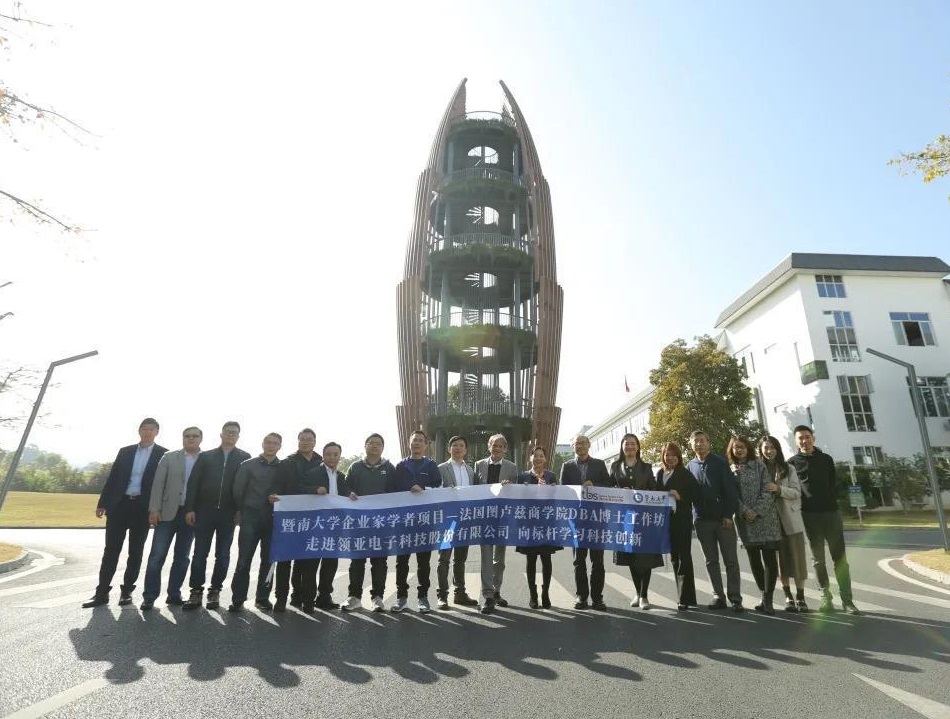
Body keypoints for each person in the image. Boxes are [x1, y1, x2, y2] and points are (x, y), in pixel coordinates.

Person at [83, 418, 168, 608]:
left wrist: (157, 509)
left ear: (157, 432)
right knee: (111, 550)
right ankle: (101, 593)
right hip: (119, 506)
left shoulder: (164, 454)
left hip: (143, 508)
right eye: (144, 428)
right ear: (139, 431)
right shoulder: (126, 451)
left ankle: (127, 592)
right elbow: (113, 477)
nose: (147, 432)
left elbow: (164, 485)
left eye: (151, 429)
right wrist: (102, 503)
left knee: (135, 552)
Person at [789, 425, 859, 615]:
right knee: (818, 560)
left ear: (814, 438)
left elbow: (833, 483)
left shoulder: (826, 459)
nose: (804, 440)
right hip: (809, 516)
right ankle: (826, 599)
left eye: (807, 437)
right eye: (800, 438)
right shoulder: (792, 463)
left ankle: (847, 601)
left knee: (840, 559)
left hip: (831, 514)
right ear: (796, 441)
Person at [183, 421, 251, 611]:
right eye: (228, 432)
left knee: (222, 554)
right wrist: (190, 508)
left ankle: (215, 590)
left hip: (229, 514)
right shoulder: (206, 456)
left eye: (234, 433)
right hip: (204, 511)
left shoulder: (244, 458)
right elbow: (193, 483)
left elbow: (246, 488)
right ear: (221, 434)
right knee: (199, 554)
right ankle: (196, 591)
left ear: (238, 436)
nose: (231, 435)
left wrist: (240, 510)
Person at [141, 426, 202, 610]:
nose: (191, 438)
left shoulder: (206, 459)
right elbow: (158, 485)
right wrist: (154, 509)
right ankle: (149, 596)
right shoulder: (169, 457)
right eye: (187, 436)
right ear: (183, 438)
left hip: (190, 515)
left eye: (195, 436)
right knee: (156, 556)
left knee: (182, 557)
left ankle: (174, 594)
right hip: (166, 513)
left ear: (201, 438)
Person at [686, 430, 742, 611]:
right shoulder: (690, 466)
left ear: (708, 442)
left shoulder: (719, 462)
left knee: (731, 560)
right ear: (691, 444)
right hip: (702, 520)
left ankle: (735, 598)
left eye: (702, 441)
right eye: (695, 441)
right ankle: (718, 596)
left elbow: (731, 491)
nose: (699, 444)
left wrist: (728, 515)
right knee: (711, 561)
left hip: (722, 520)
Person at [387, 430, 441, 613]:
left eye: (420, 440)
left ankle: (422, 598)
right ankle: (401, 597)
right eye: (414, 440)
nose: (416, 443)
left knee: (423, 562)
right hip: (404, 521)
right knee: (401, 562)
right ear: (409, 444)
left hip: (425, 521)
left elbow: (438, 487)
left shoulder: (431, 466)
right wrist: (408, 488)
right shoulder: (400, 466)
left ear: (425, 445)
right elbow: (392, 489)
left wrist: (423, 489)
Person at [228, 432, 282, 612]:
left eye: (275, 443)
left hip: (273, 520)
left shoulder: (284, 468)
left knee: (269, 561)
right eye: (268, 442)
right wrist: (241, 511)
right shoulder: (248, 465)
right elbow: (238, 491)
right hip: (250, 518)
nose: (271, 446)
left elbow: (288, 490)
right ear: (263, 443)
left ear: (279, 446)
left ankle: (263, 597)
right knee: (244, 560)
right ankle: (238, 598)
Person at [341, 433, 395, 613]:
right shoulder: (355, 467)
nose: (374, 446)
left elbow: (396, 493)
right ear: (365, 446)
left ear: (383, 447)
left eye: (378, 443)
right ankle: (354, 597)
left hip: (381, 523)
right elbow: (345, 488)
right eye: (371, 443)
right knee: (357, 561)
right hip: (359, 522)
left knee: (379, 561)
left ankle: (377, 597)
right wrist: (348, 493)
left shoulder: (389, 468)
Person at [728, 436, 782, 614]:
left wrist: (756, 511)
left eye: (742, 447)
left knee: (769, 559)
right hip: (744, 520)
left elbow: (769, 489)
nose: (739, 450)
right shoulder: (730, 470)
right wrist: (745, 511)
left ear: (748, 448)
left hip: (765, 518)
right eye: (736, 447)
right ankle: (762, 594)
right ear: (731, 450)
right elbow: (731, 495)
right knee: (754, 560)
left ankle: (768, 599)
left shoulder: (759, 465)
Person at [270, 428, 323, 612]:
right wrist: (273, 496)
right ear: (298, 441)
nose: (305, 442)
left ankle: (307, 600)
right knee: (285, 561)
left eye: (309, 439)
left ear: (315, 442)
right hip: (289, 517)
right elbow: (277, 486)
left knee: (309, 561)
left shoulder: (321, 462)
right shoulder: (287, 462)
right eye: (302, 439)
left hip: (314, 519)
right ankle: (281, 599)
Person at [559, 434, 612, 610]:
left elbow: (609, 486)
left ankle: (597, 598)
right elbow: (563, 490)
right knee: (579, 560)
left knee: (598, 561)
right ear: (573, 447)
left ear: (589, 445)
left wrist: (594, 485)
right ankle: (581, 596)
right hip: (577, 520)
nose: (580, 446)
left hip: (597, 518)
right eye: (577, 443)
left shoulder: (599, 464)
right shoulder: (567, 466)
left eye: (583, 443)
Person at [609, 433, 662, 610]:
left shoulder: (646, 467)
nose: (630, 447)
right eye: (627, 444)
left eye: (633, 444)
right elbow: (608, 488)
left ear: (638, 447)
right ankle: (637, 592)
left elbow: (654, 488)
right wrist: (619, 491)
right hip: (624, 518)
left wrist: (642, 495)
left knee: (645, 556)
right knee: (630, 555)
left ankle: (644, 595)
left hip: (644, 518)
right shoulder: (615, 466)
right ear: (622, 447)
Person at [759, 435, 808, 612]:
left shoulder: (789, 468)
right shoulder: (758, 469)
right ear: (761, 450)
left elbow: (796, 492)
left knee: (798, 559)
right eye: (766, 447)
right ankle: (788, 596)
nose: (769, 451)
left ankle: (800, 596)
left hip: (790, 519)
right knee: (780, 561)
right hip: (769, 521)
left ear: (777, 449)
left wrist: (779, 489)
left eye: (772, 447)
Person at [474, 433, 518, 615]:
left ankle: (497, 590)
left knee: (499, 558)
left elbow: (516, 492)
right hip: (484, 517)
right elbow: (473, 490)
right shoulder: (478, 465)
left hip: (502, 517)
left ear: (505, 449)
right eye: (494, 445)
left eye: (501, 445)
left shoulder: (512, 467)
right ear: (489, 447)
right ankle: (488, 595)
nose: (497, 448)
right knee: (486, 556)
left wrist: (510, 486)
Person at [435, 435, 480, 610]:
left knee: (460, 559)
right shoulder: (441, 469)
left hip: (464, 520)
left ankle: (460, 593)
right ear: (449, 449)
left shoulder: (470, 471)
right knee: (444, 558)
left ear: (466, 450)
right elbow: (434, 491)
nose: (458, 448)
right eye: (454, 445)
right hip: (447, 521)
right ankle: (442, 595)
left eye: (461, 445)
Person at [656, 441, 701, 610]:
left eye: (673, 455)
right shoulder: (660, 473)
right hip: (666, 520)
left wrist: (680, 496)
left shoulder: (684, 473)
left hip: (681, 519)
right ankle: (683, 595)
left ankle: (686, 598)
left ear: (679, 456)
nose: (670, 458)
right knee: (674, 557)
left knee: (683, 557)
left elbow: (697, 493)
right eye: (667, 455)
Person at [516, 447, 561, 609]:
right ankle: (533, 595)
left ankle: (545, 593)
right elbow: (516, 497)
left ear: (545, 459)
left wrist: (553, 489)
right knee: (531, 560)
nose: (538, 458)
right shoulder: (522, 477)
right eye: (535, 456)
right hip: (529, 524)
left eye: (541, 456)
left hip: (547, 523)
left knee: (546, 559)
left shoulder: (551, 476)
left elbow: (557, 498)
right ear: (530, 458)